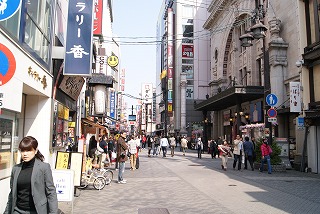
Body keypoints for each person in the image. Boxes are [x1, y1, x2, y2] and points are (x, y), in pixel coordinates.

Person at [4, 136, 58, 214]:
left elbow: (51, 192)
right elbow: (12, 193)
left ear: (35, 151)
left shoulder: (44, 167)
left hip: (37, 211)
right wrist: (6, 212)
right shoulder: (16, 169)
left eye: (29, 150)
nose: (25, 154)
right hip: (17, 210)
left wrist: (53, 212)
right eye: (22, 151)